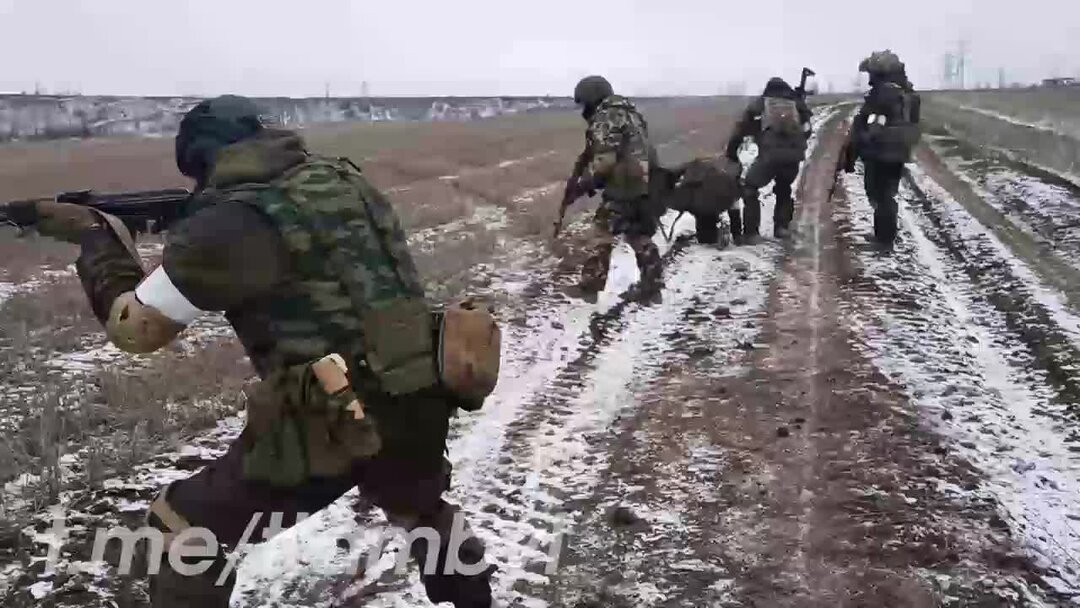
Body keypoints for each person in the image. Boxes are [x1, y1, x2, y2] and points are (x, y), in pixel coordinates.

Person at [8, 95, 500, 608]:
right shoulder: (345, 180)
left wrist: (96, 237)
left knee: (180, 526)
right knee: (416, 505)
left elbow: (136, 331)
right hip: (419, 390)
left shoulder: (232, 221)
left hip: (333, 419)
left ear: (203, 158)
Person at [563, 75, 663, 301]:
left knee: (601, 232)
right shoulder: (631, 113)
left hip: (624, 184)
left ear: (591, 98)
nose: (583, 110)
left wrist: (585, 184)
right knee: (637, 234)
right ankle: (652, 287)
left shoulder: (607, 117)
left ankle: (590, 287)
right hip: (643, 183)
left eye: (584, 103)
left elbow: (606, 160)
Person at [844, 50, 922, 246]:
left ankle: (884, 238)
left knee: (878, 193)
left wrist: (857, 146)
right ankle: (885, 235)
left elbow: (869, 123)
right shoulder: (907, 92)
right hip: (900, 150)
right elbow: (913, 121)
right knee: (887, 192)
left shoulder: (882, 93)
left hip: (879, 151)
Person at [725, 77, 813, 243]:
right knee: (784, 187)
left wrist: (732, 152)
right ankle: (782, 228)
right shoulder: (797, 104)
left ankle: (751, 233)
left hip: (769, 158)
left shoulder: (760, 105)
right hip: (793, 158)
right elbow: (807, 131)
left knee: (750, 188)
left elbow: (741, 129)